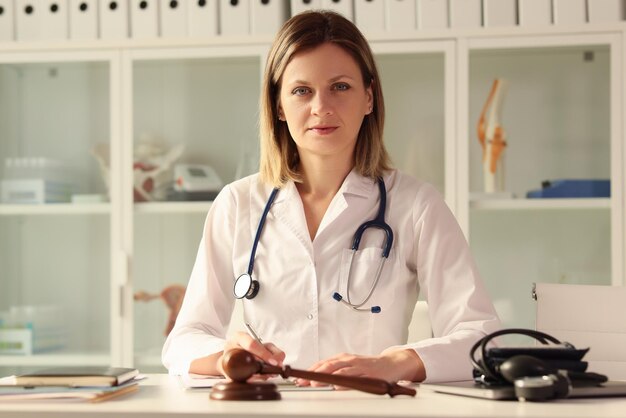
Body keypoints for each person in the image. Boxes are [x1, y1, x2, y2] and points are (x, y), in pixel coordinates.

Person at [162, 10, 501, 384]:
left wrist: (397, 362)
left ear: (369, 97)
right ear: (278, 105)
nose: (321, 107)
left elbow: (481, 337)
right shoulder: (237, 203)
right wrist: (226, 357)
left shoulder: (417, 205)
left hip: (369, 407)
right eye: (301, 91)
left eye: (340, 86)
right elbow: (184, 340)